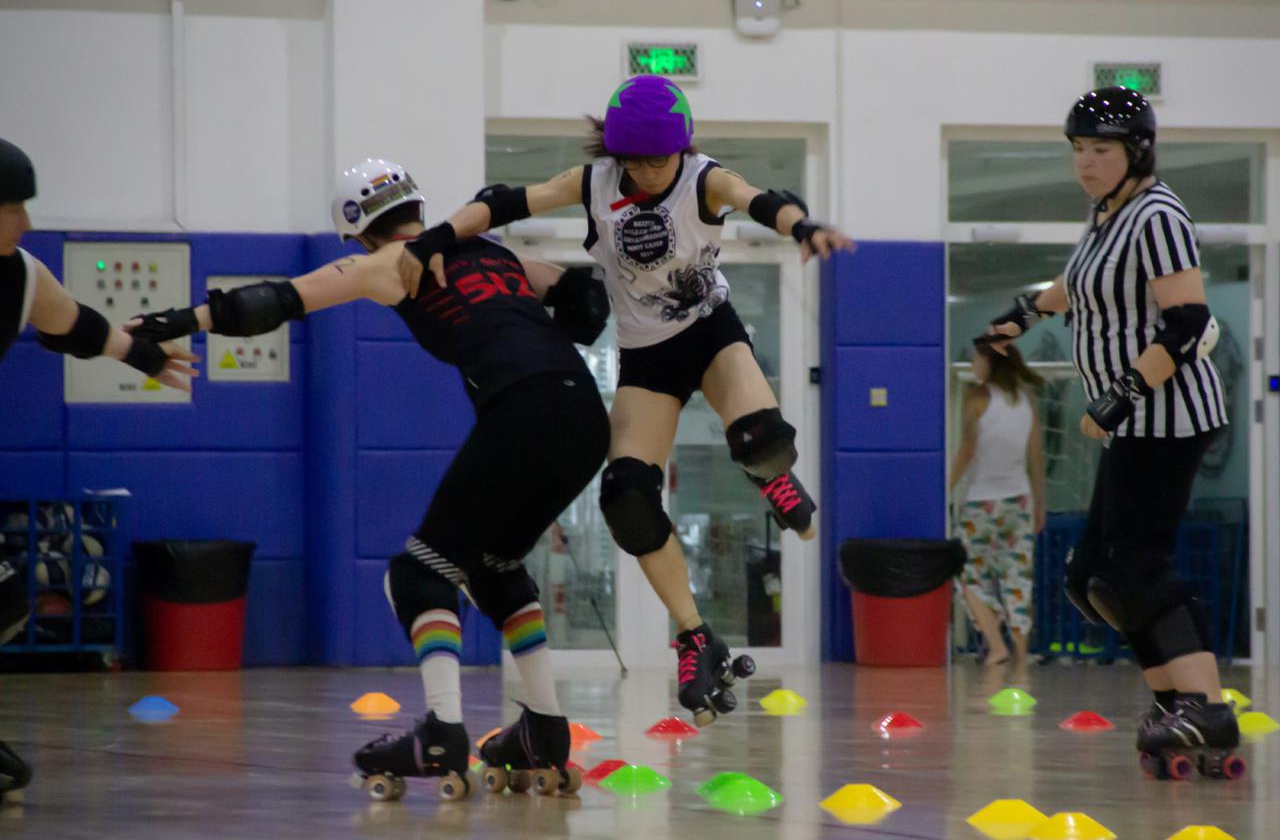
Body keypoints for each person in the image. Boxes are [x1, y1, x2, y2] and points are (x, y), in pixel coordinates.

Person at [128, 158, 611, 798]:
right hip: (585, 416)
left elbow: (274, 301)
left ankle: (442, 730)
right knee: (494, 565)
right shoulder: (487, 249)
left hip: (524, 410)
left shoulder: (388, 263)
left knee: (417, 573)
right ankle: (544, 730)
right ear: (413, 203)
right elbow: (586, 301)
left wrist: (178, 322)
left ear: (357, 231)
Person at [396, 75, 853, 726]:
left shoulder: (703, 178)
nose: (640, 172)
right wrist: (436, 236)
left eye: (654, 160)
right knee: (627, 501)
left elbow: (762, 199)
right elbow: (504, 203)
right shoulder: (593, 184)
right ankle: (696, 637)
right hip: (647, 357)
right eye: (630, 160)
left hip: (709, 332)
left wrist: (802, 224)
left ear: (681, 149)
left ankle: (770, 475)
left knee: (761, 439)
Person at [982, 87, 1241, 778]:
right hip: (1139, 422)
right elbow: (1080, 282)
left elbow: (1186, 322)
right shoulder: (1108, 213)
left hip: (1168, 416)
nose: (1086, 163)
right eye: (1078, 150)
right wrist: (1023, 312)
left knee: (1136, 566)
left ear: (1137, 152)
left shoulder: (1157, 213)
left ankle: (1207, 706)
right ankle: (1173, 704)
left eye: (1100, 150)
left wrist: (1124, 392)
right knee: (1091, 575)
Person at [0, 138, 197, 800]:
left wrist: (144, 357)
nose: (24, 221)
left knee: (4, 595)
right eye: (11, 207)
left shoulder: (20, 274)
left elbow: (75, 325)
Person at [949, 341, 1045, 667]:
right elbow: (1036, 458)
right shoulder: (1026, 401)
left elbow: (967, 449)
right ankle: (1021, 654)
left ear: (989, 362)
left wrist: (945, 488)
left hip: (981, 502)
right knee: (1019, 578)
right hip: (1019, 500)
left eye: (976, 358)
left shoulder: (978, 397)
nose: (973, 363)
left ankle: (996, 644)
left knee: (967, 573)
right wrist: (1040, 505)